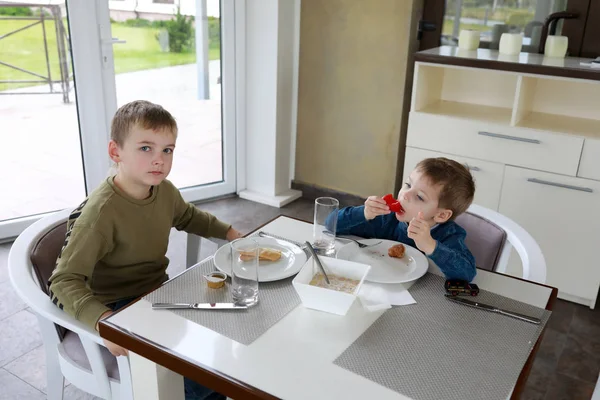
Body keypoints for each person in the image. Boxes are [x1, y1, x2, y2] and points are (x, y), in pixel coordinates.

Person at [48, 100, 240, 400]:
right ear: (116, 152)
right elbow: (62, 281)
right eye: (145, 148)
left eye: (167, 150)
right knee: (188, 384)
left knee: (220, 357)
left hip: (157, 295)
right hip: (118, 308)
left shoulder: (164, 191)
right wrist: (103, 322)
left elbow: (188, 216)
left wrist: (229, 233)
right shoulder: (101, 214)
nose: (159, 160)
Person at [332, 157, 476, 281]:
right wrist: (363, 213)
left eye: (419, 197)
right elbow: (330, 223)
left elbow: (467, 273)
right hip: (376, 281)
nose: (405, 195)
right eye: (407, 185)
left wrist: (431, 246)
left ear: (441, 215)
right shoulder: (385, 218)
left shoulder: (450, 234)